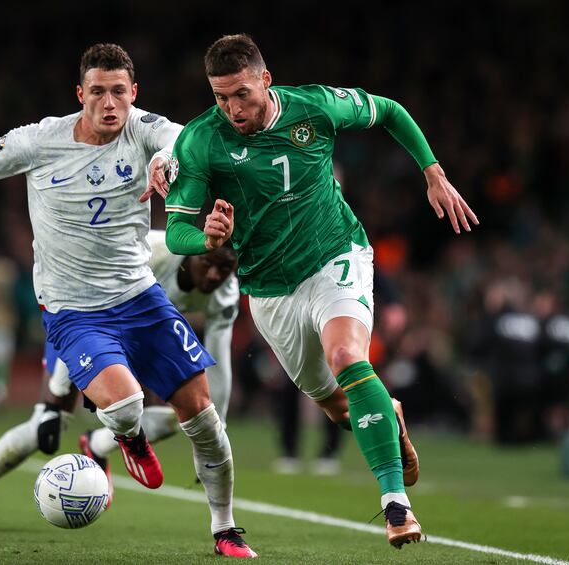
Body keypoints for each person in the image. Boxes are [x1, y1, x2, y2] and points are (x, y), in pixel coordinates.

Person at [165, 34, 478, 549]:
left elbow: (391, 111)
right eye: (220, 97)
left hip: (336, 255)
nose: (232, 108)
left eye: (241, 93)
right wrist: (207, 238)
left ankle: (395, 504)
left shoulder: (314, 105)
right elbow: (177, 228)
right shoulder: (202, 139)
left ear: (265, 80)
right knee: (336, 405)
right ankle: (388, 414)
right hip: (268, 290)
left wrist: (433, 172)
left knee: (347, 356)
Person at [0, 44, 256, 557]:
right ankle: (127, 438)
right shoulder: (41, 140)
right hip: (72, 311)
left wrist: (165, 157)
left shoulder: (142, 128)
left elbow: (180, 138)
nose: (109, 103)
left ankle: (224, 529)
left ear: (133, 93)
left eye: (119, 92)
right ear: (80, 95)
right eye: (97, 92)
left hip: (139, 297)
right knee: (119, 404)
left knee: (204, 418)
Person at [0, 231, 239, 530]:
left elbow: (218, 359)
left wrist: (218, 429)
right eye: (207, 263)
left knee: (190, 414)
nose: (214, 275)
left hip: (141, 332)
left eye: (224, 269)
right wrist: (63, 387)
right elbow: (88, 301)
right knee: (46, 426)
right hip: (81, 315)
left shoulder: (225, 294)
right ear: (190, 254)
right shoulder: (151, 253)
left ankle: (98, 442)